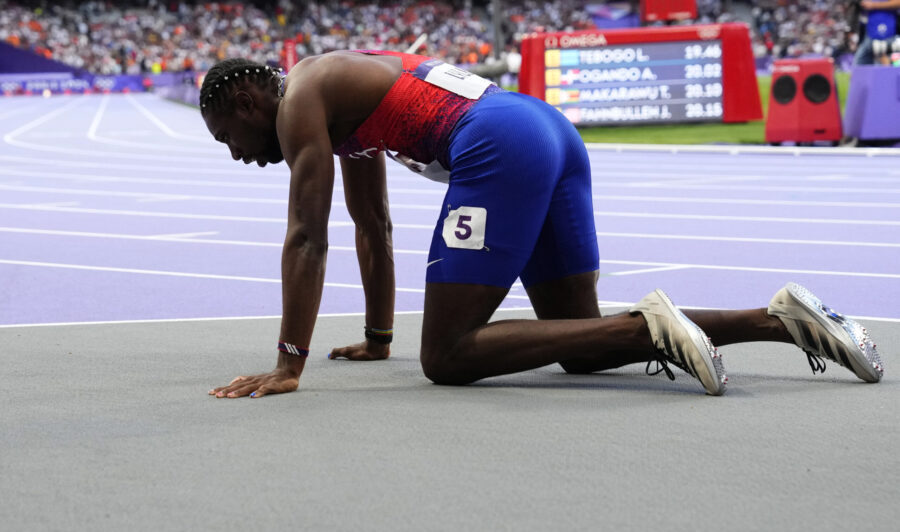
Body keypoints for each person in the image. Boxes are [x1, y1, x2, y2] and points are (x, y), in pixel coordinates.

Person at [202, 50, 884, 399]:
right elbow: (373, 225)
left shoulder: (300, 105)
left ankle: (648, 327)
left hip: (500, 145)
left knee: (447, 355)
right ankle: (781, 319)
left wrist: (288, 364)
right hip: (546, 129)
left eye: (225, 134)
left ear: (248, 98)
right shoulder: (331, 96)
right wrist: (379, 339)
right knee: (580, 343)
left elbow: (307, 237)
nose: (235, 153)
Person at [854, 0, 900, 65]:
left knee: (894, 62)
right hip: (870, 30)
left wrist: (874, 5)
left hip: (890, 31)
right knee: (860, 62)